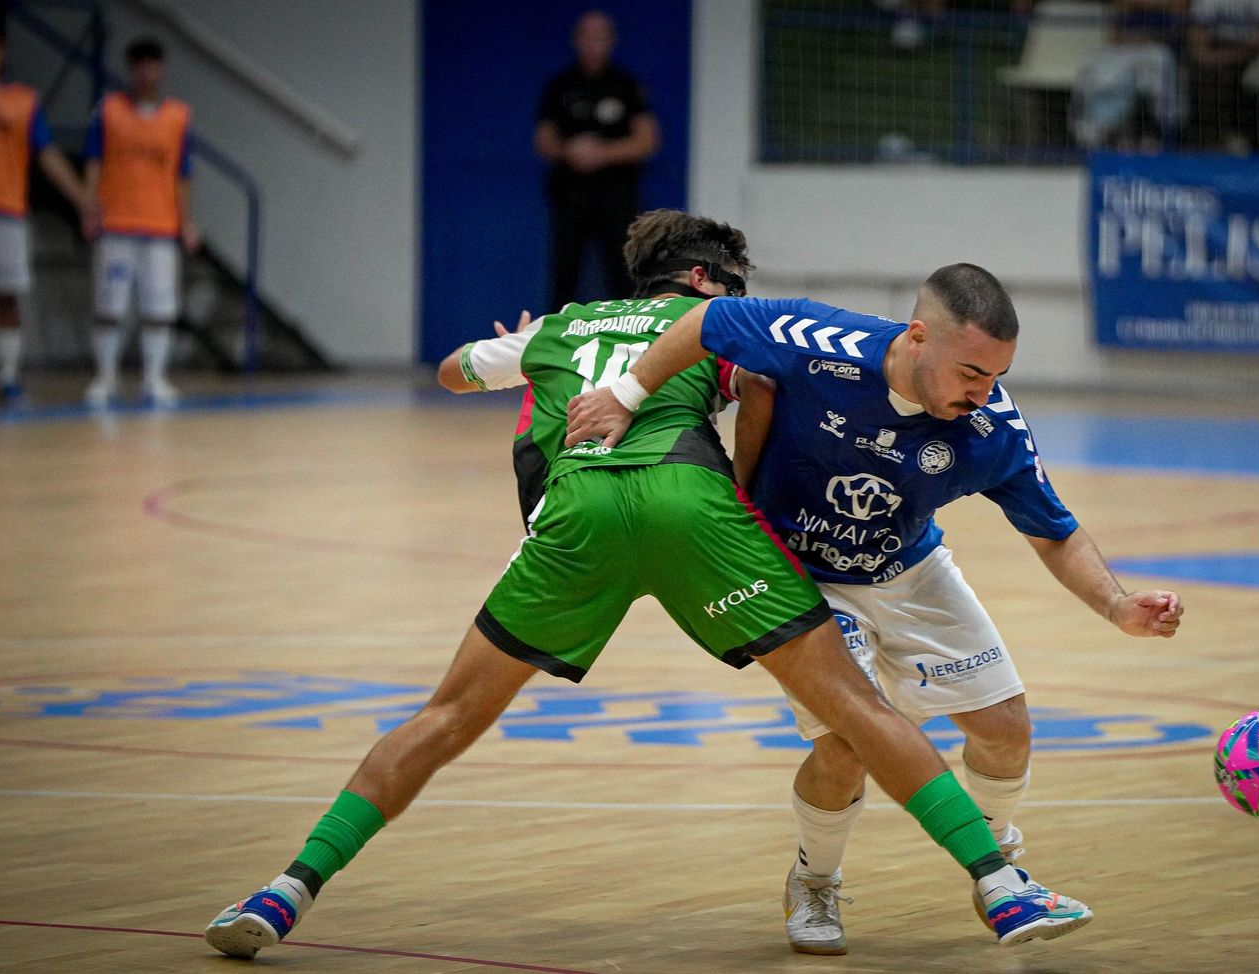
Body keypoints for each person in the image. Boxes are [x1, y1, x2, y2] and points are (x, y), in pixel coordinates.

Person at [202, 210, 1076, 961]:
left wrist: (525, 347)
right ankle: (999, 885)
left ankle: (285, 892)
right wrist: (749, 504)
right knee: (857, 709)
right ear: (701, 279)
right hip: (694, 511)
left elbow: (454, 371)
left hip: (577, 518)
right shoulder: (706, 322)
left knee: (445, 718)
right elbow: (763, 384)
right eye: (729, 284)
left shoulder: (561, 327)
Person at [564, 265, 1183, 955]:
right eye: (971, 372)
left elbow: (1054, 532)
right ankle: (814, 880)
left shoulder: (991, 425)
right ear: (917, 338)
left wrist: (1117, 605)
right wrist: (623, 396)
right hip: (801, 577)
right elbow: (705, 320)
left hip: (907, 567)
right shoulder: (819, 341)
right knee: (845, 744)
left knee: (1006, 730)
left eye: (997, 375)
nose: (983, 392)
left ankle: (998, 865)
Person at [0, 18, 91, 407]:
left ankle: (8, 378)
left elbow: (47, 154)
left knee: (7, 296)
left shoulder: (24, 102)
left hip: (8, 212)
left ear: (4, 51)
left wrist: (82, 197)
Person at [82, 36, 198, 409]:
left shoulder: (178, 116)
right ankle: (106, 378)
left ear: (162, 69)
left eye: (153, 64)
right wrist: (90, 207)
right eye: (140, 64)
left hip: (161, 225)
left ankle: (154, 379)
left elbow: (182, 175)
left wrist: (187, 221)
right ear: (131, 69)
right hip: (117, 223)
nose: (147, 72)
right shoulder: (109, 111)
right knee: (109, 305)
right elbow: (94, 162)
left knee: (159, 308)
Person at [534, 10, 658, 312]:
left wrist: (602, 153)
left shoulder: (625, 85)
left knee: (624, 272)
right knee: (565, 274)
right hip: (571, 195)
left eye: (600, 36)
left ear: (611, 41)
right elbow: (543, 139)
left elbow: (647, 140)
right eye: (587, 36)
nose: (593, 43)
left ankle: (629, 332)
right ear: (576, 40)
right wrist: (571, 151)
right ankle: (558, 336)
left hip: (616, 196)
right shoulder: (561, 85)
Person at [1071, 0, 1187, 151]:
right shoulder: (1103, 54)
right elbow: (1115, 28)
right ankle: (1101, 134)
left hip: (1155, 50)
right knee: (1100, 73)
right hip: (1123, 51)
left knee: (1158, 71)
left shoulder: (1160, 54)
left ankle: (1157, 134)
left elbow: (1177, 24)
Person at [1185, 0, 1259, 151]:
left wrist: (1230, 56)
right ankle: (1210, 142)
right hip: (1215, 51)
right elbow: (1196, 34)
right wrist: (1207, 57)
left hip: (1253, 54)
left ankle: (1249, 141)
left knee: (1246, 78)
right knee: (1202, 78)